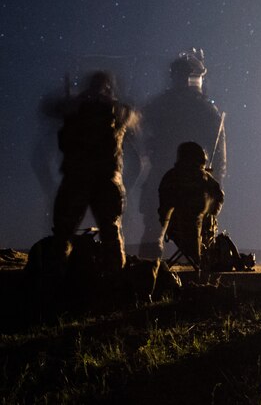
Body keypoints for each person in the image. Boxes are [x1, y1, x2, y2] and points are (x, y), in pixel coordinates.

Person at [47, 70, 139, 276]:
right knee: (111, 233)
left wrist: (76, 102)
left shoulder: (76, 108)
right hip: (107, 179)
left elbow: (53, 109)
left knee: (63, 234)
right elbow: (134, 117)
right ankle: (115, 286)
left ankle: (54, 285)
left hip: (76, 178)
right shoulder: (117, 109)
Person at [138, 50, 225, 256]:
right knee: (170, 227)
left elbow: (138, 126)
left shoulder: (161, 105)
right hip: (185, 178)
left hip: (169, 176)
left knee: (155, 227)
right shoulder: (202, 108)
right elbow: (218, 152)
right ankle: (192, 271)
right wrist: (215, 181)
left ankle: (151, 271)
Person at [157, 141, 224, 282]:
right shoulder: (204, 178)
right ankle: (202, 267)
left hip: (175, 232)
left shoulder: (170, 177)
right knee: (208, 219)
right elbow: (219, 197)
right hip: (197, 234)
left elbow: (163, 208)